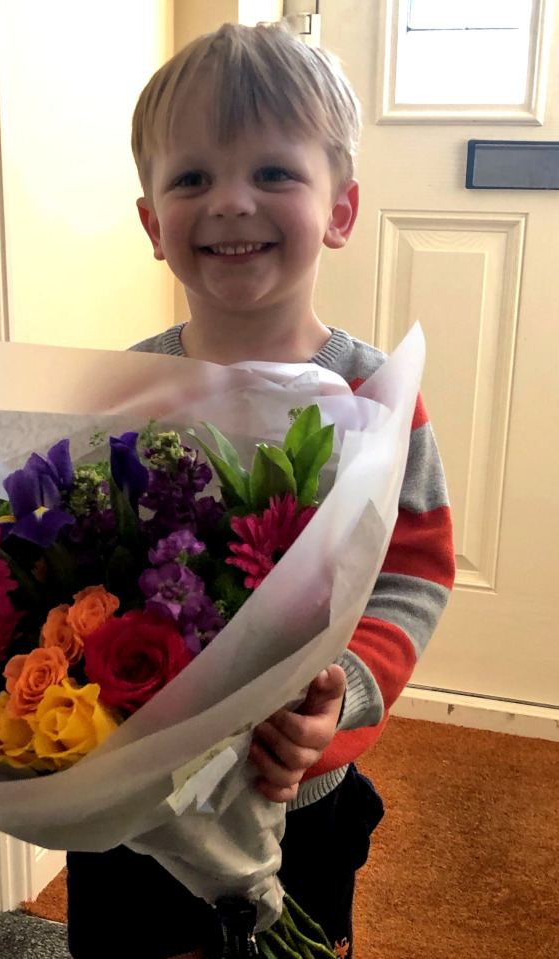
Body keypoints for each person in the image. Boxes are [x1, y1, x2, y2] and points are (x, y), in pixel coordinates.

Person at [66, 21, 455, 959]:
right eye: (193, 178)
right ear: (155, 224)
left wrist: (347, 693)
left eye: (275, 174)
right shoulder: (117, 393)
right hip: (133, 804)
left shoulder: (376, 396)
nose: (231, 202)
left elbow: (412, 574)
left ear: (342, 208)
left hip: (299, 785)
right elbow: (67, 571)